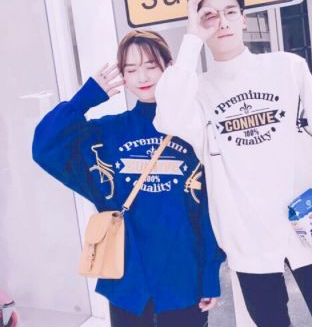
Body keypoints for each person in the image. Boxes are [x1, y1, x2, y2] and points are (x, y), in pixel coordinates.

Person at [153, 0, 312, 327]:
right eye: (209, 16)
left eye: (230, 12)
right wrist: (191, 40)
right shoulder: (198, 91)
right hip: (249, 239)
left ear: (244, 19)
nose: (222, 22)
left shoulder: (287, 68)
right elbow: (168, 116)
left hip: (310, 225)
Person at [32, 30, 225, 327]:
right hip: (129, 286)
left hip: (184, 282)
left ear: (169, 67)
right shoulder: (107, 133)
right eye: (131, 69)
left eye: (150, 65)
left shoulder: (191, 130)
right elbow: (45, 147)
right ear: (122, 76)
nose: (142, 77)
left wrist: (210, 274)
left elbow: (208, 211)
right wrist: (84, 100)